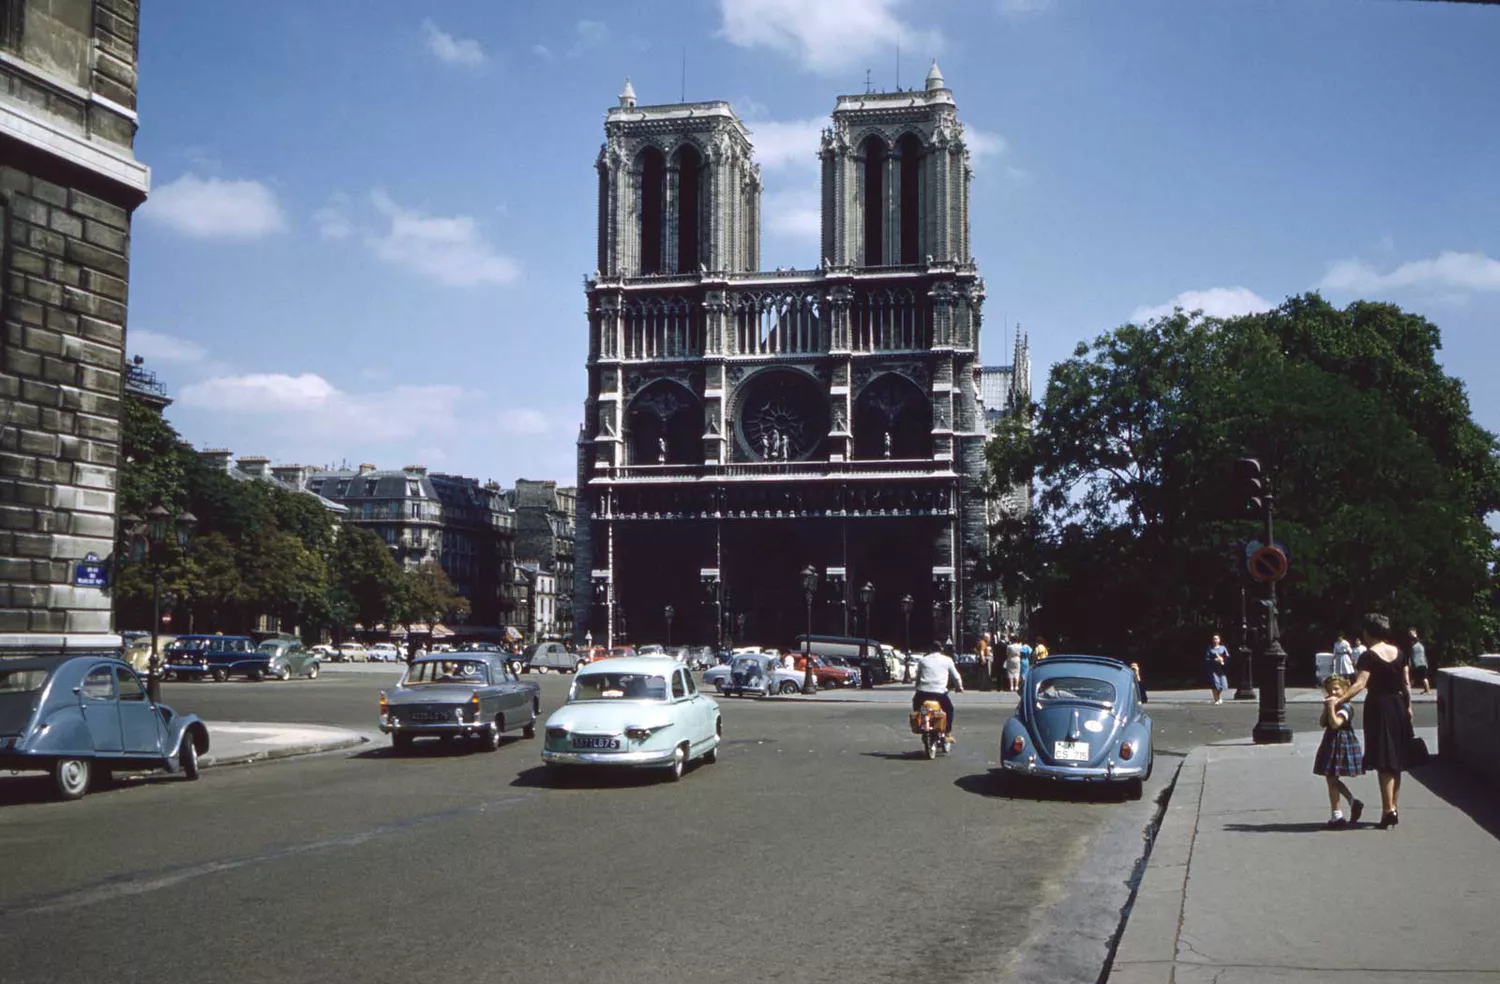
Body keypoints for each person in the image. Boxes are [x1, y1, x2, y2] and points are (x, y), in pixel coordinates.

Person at [1341, 612, 1415, 828]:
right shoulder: (1399, 653)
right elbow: (1406, 683)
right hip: (1399, 705)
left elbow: (1360, 684)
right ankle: (1394, 807)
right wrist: (1408, 706)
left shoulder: (1368, 656)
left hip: (1379, 707)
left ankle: (1387, 810)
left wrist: (1339, 700)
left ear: (1367, 632)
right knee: (1397, 760)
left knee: (1384, 760)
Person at [1314, 675, 1365, 828]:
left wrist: (1331, 708)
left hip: (1341, 743)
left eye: (1336, 689)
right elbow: (1323, 723)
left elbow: (1336, 724)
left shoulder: (1346, 708)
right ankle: (1350, 803)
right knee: (1331, 778)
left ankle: (1337, 815)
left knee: (1331, 778)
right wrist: (1327, 708)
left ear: (1345, 690)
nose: (1333, 693)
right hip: (1331, 742)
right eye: (1330, 691)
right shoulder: (1334, 705)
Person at [912, 647, 963, 742]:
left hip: (922, 692)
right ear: (941, 650)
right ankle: (947, 732)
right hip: (939, 693)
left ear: (930, 650)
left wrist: (917, 687)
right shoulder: (947, 660)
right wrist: (959, 687)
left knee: (916, 706)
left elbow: (918, 677)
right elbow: (956, 677)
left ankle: (919, 722)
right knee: (949, 709)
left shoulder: (923, 660)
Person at [1205, 634, 1230, 704]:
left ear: (1219, 640)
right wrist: (1214, 660)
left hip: (1221, 669)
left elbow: (1227, 657)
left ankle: (1218, 696)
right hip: (1212, 669)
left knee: (1224, 685)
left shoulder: (1223, 648)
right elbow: (1207, 659)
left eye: (1216, 639)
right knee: (1215, 684)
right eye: (1214, 639)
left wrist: (1223, 659)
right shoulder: (1209, 648)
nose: (1215, 640)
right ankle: (1216, 699)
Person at [1408, 628, 1431, 695]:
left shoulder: (1413, 647)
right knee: (1424, 677)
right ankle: (1427, 690)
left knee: (1412, 678)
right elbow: (1424, 656)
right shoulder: (1421, 646)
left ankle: (1408, 690)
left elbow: (1412, 656)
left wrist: (1410, 664)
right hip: (1423, 663)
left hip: (1416, 664)